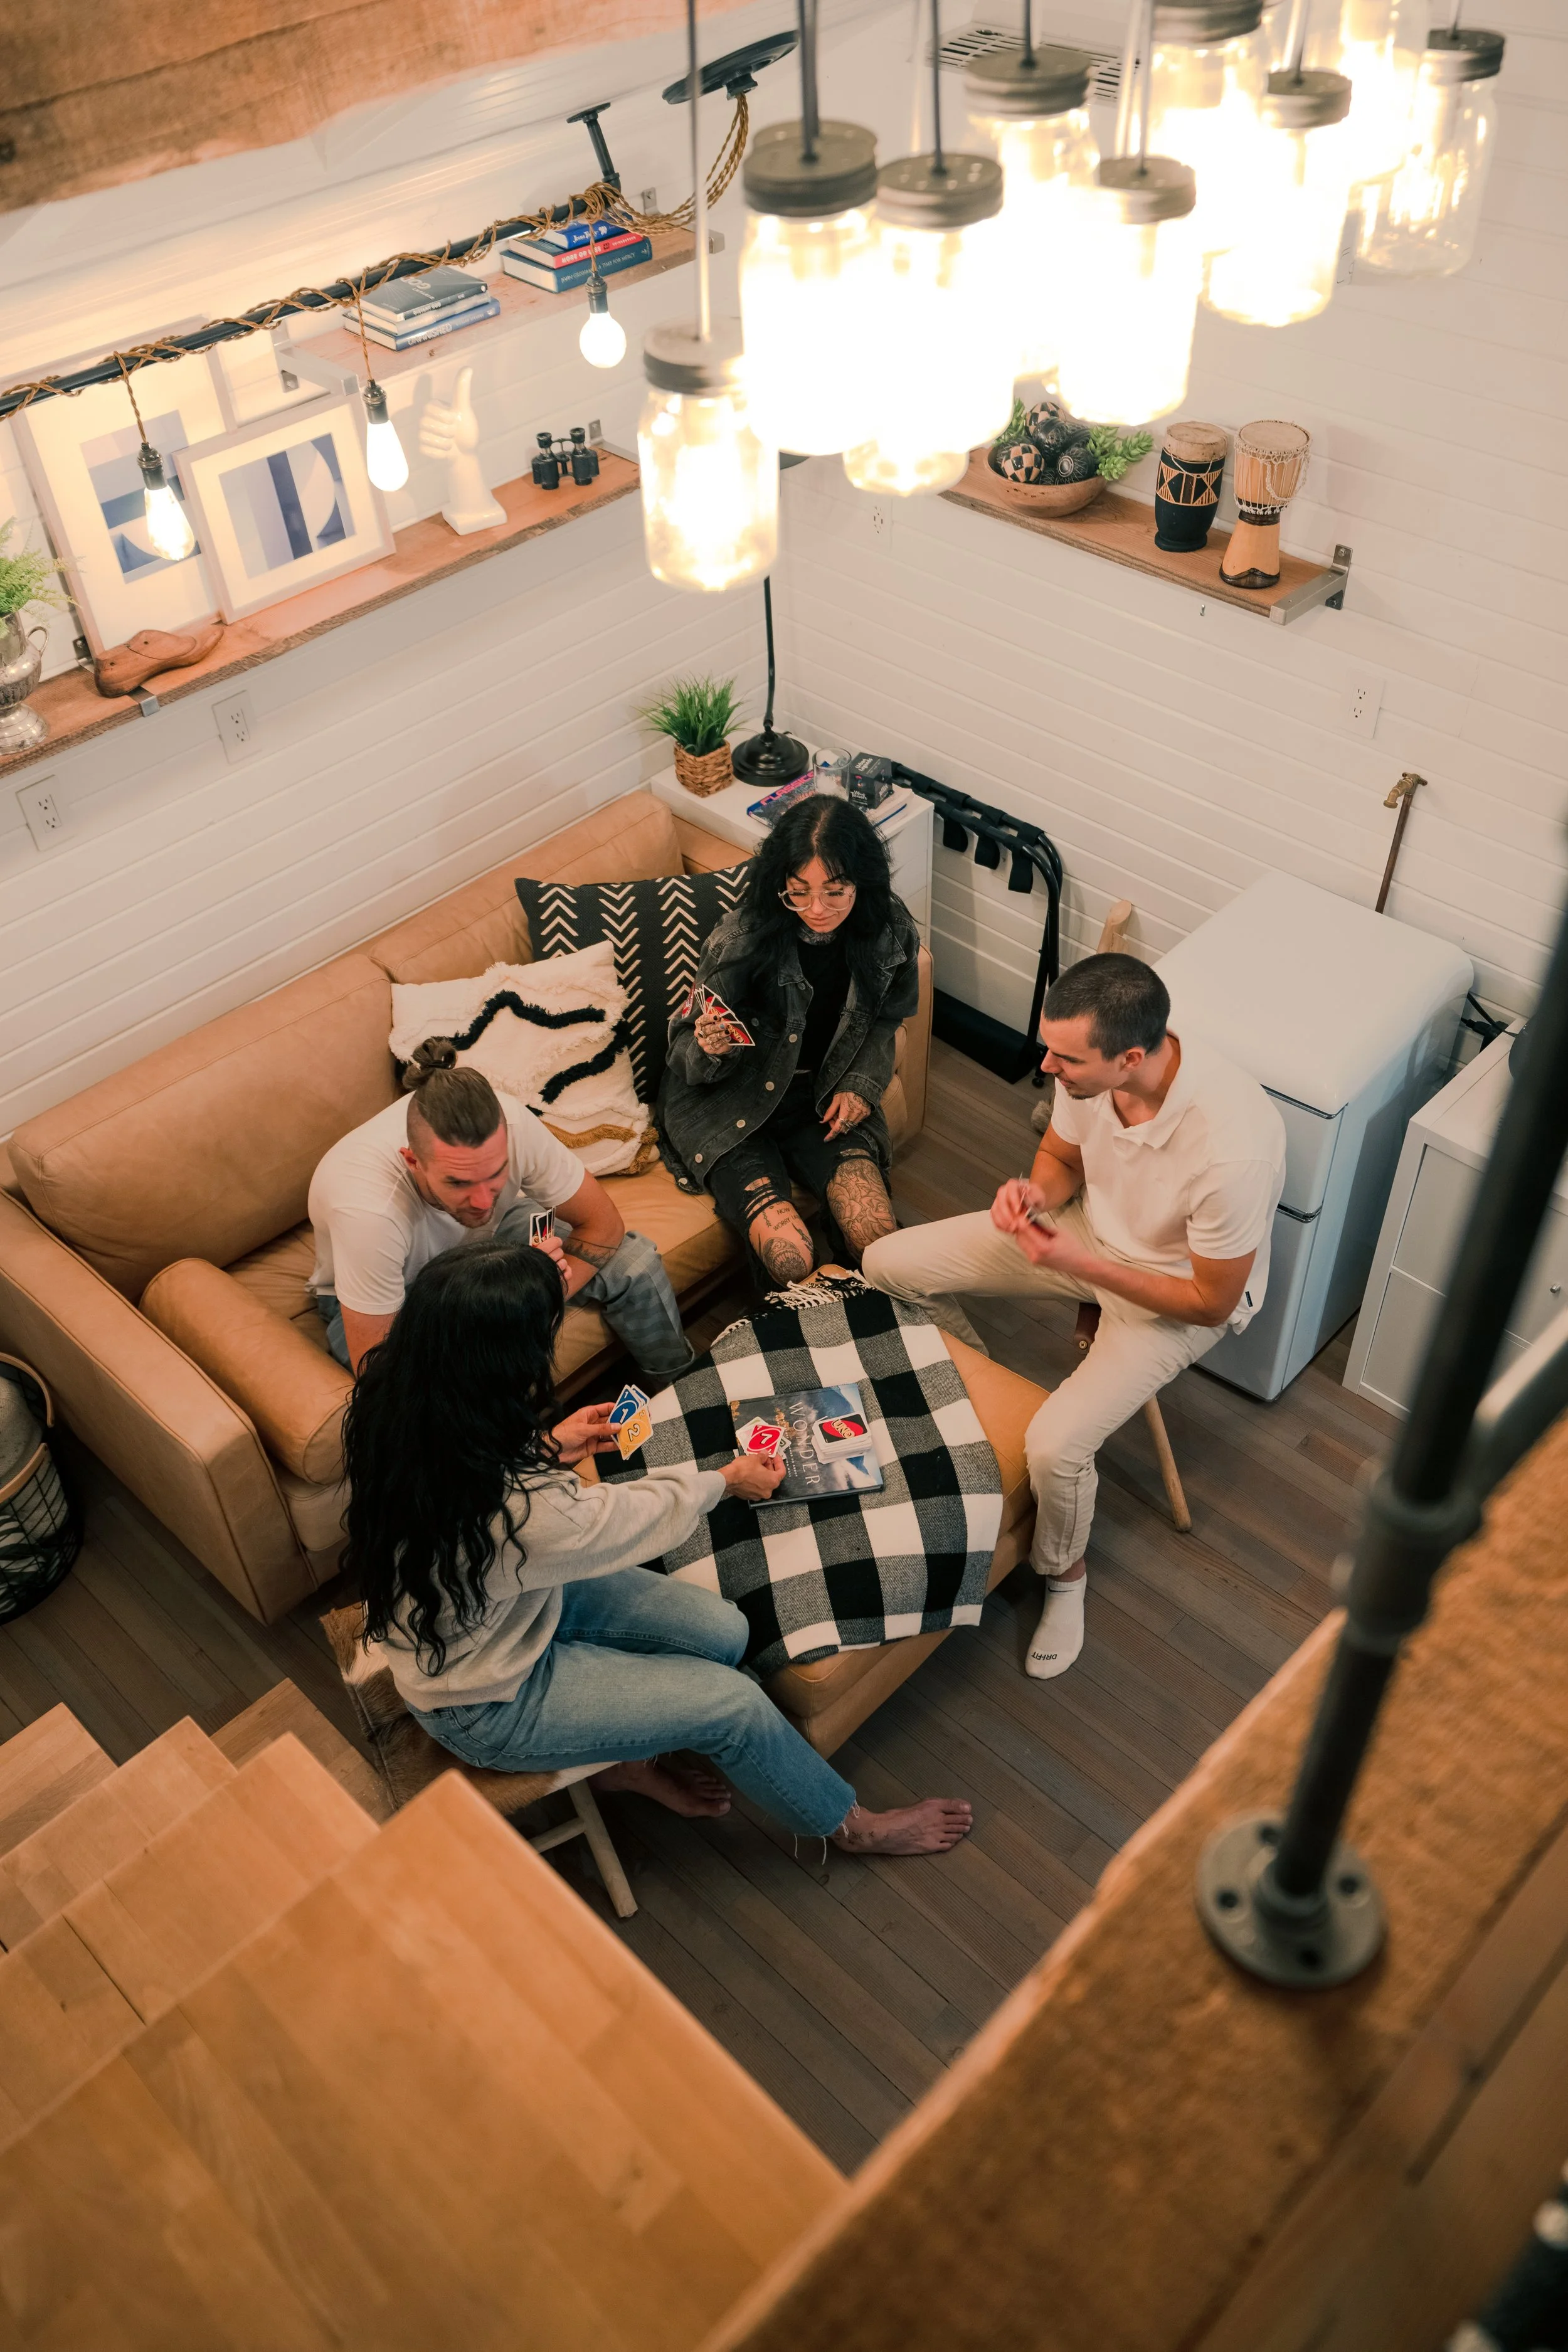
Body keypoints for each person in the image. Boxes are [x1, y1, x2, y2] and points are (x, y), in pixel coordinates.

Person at [343, 1241, 973, 1856]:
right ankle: (849, 1825)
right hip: (487, 1702)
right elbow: (625, 1519)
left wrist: (545, 1446)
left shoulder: (399, 1397)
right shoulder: (521, 1516)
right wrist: (728, 1480)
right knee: (734, 1707)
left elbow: (488, 1486)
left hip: (511, 1604)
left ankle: (617, 1758)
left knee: (723, 1634)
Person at [864, 954, 1286, 1683]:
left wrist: (1083, 1269)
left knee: (1057, 1447)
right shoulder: (1089, 1077)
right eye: (1047, 1046)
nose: (1046, 1064)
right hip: (1088, 1233)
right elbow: (1061, 1153)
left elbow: (1211, 1304)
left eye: (1065, 1057)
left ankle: (1064, 1574)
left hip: (1174, 1296)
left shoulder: (1230, 1149)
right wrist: (1032, 1194)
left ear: (1129, 1058)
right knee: (888, 1266)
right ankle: (983, 1397)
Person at [309, 1045, 692, 1383]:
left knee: (634, 1262)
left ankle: (682, 1390)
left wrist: (544, 1292)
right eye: (458, 1183)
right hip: (400, 1293)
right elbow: (378, 1368)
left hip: (486, 1242)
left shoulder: (513, 1124)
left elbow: (604, 1225)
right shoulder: (369, 1212)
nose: (482, 1202)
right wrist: (509, 1308)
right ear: (413, 1162)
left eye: (495, 1175)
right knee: (444, 1387)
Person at [659, 793, 921, 1286]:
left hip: (819, 1093)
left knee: (877, 1235)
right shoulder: (740, 939)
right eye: (798, 891)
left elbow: (888, 1018)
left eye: (836, 892)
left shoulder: (890, 931)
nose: (816, 909)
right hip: (730, 1099)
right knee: (790, 1258)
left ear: (862, 883)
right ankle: (792, 1345)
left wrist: (862, 1084)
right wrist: (712, 1048)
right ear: (779, 881)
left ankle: (884, 1328)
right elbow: (683, 1052)